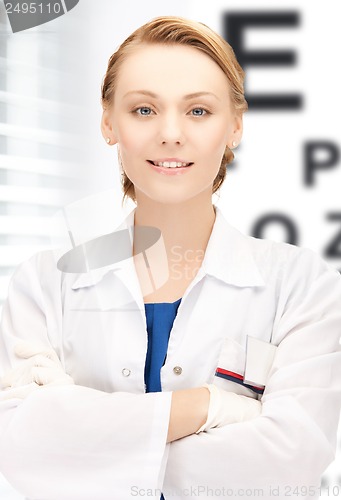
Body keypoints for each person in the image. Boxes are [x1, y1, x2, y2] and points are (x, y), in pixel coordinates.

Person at [0, 15, 341, 500]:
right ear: (107, 122)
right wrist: (211, 407)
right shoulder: (44, 282)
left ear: (235, 126)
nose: (171, 134)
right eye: (143, 110)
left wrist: (76, 429)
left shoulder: (304, 286)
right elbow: (19, 451)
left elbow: (289, 463)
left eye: (199, 111)